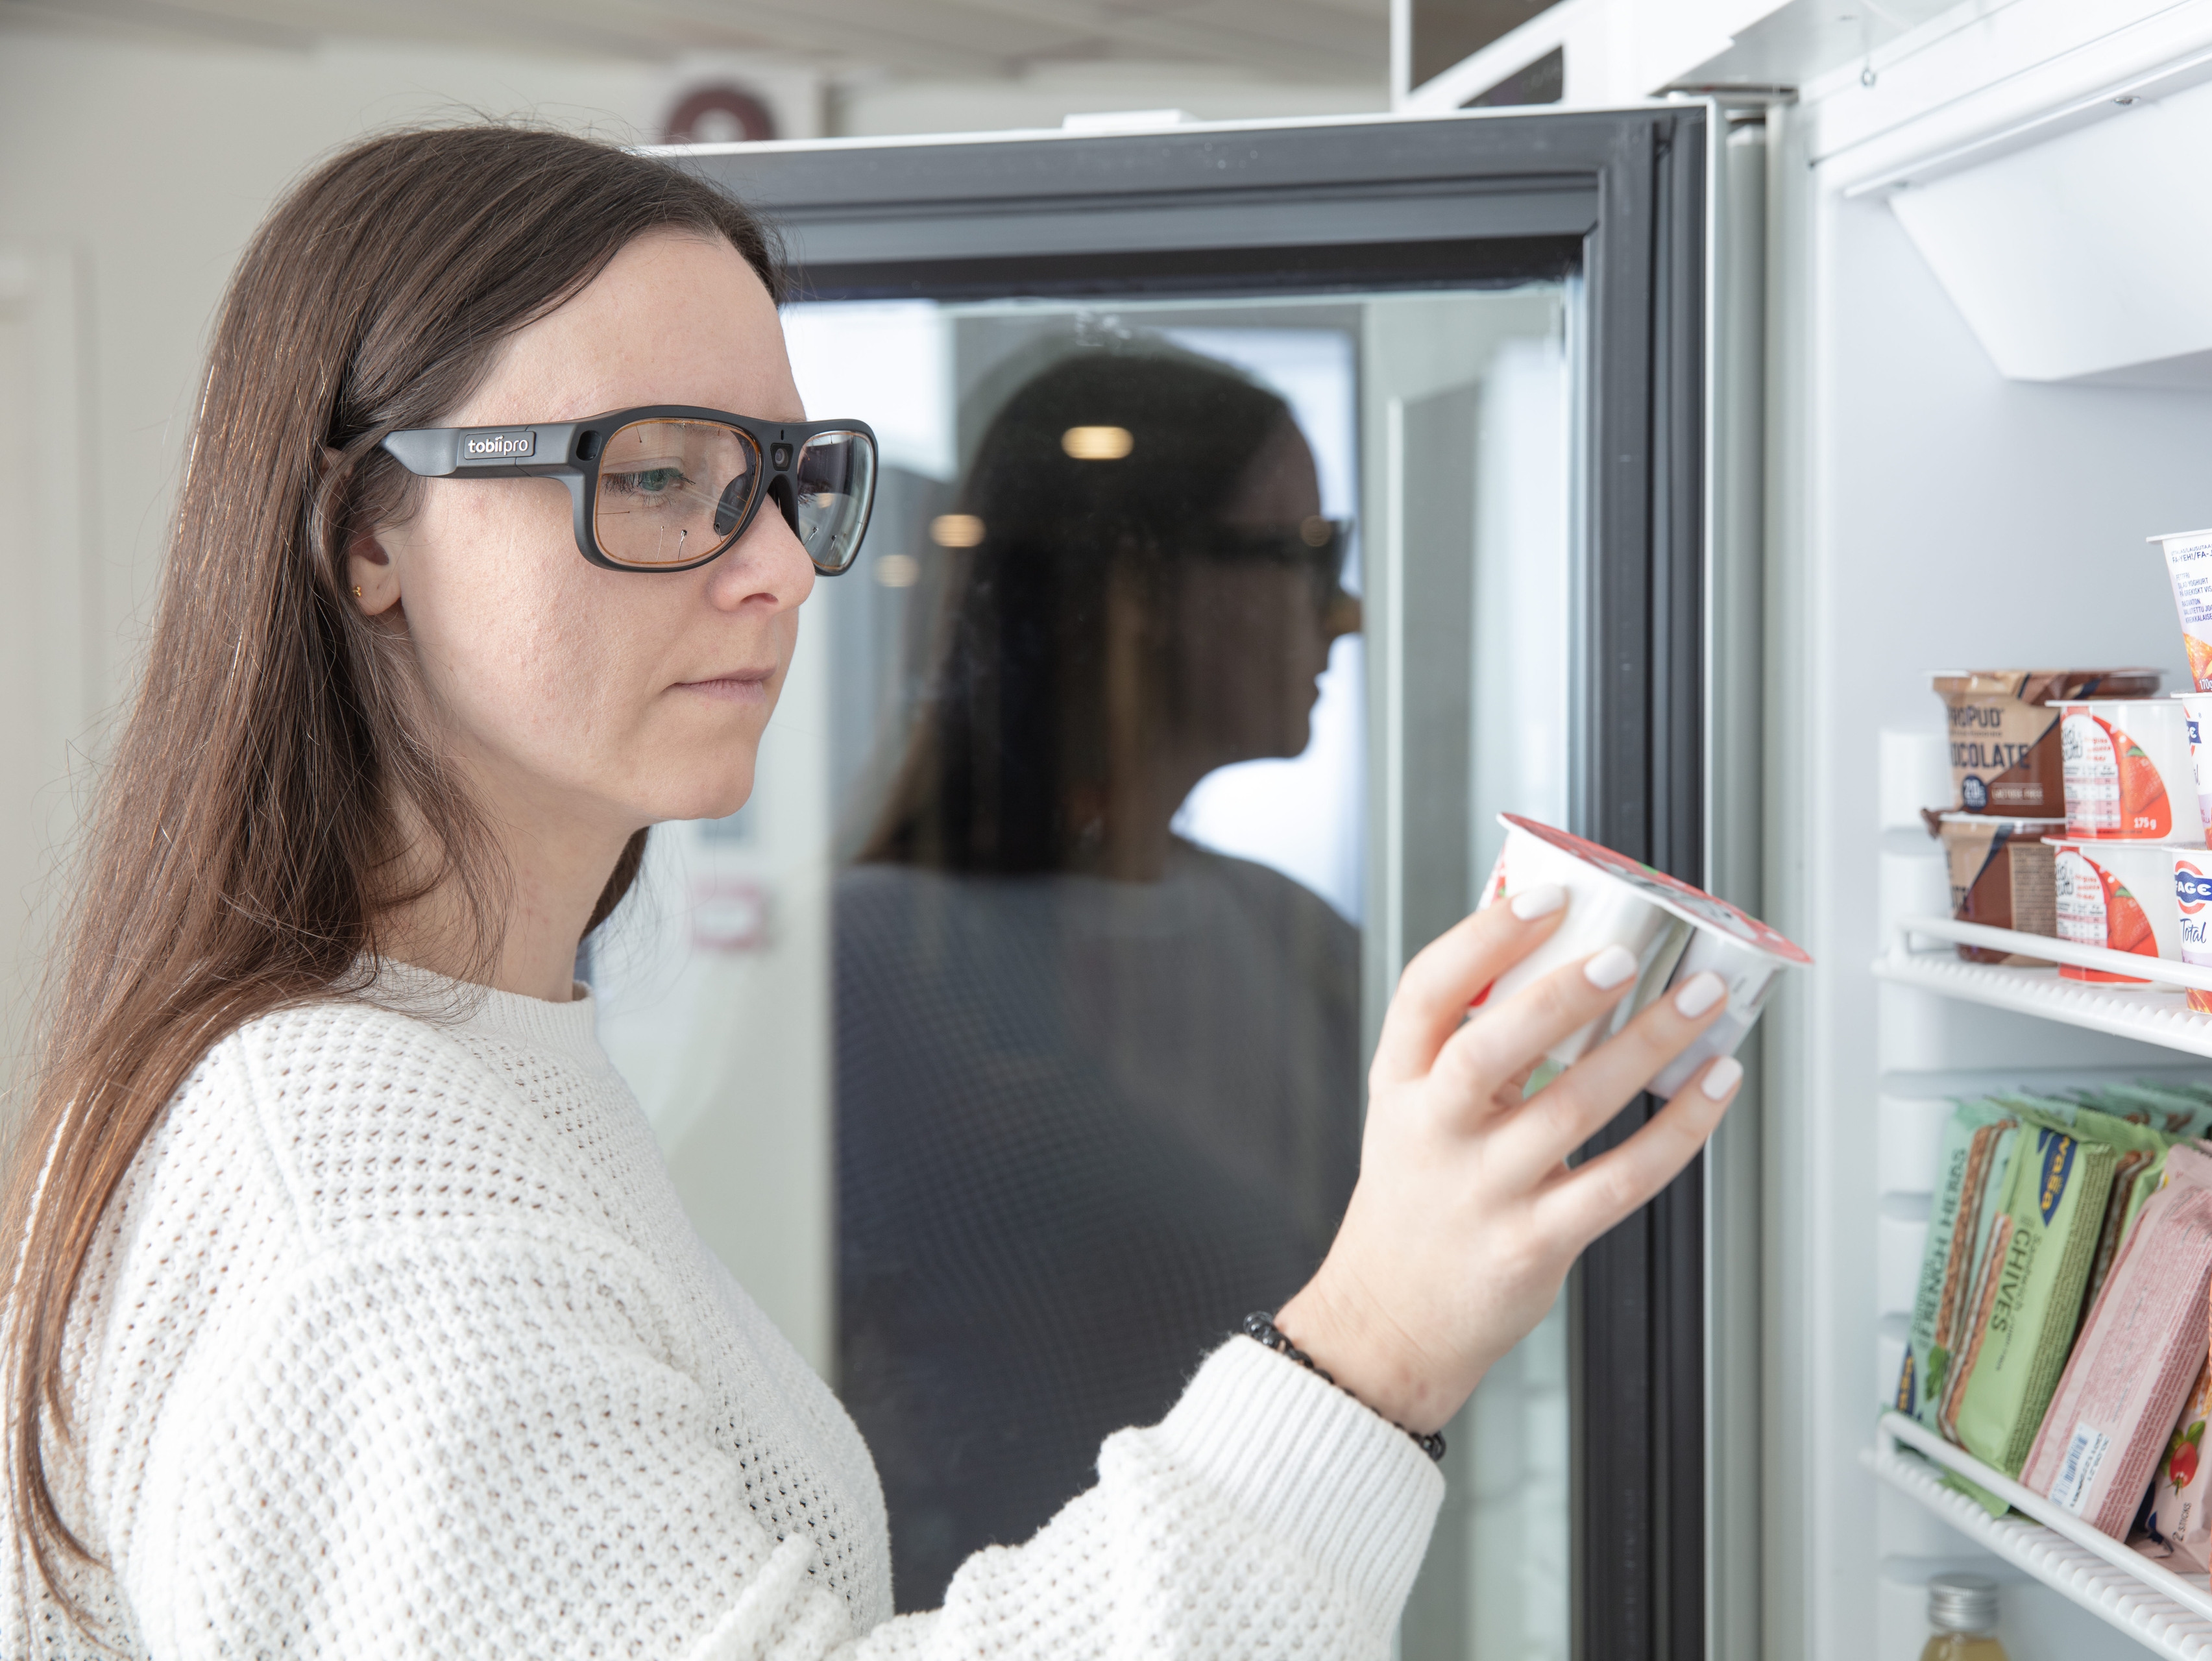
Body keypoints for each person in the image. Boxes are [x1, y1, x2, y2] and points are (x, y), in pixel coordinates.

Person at [0, 125, 1746, 1658]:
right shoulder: (366, 1211)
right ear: (368, 531)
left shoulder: (469, 1059)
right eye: (658, 475)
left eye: (778, 481)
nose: (773, 567)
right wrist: (1377, 1345)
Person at [836, 347, 1365, 1606]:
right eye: (1307, 552)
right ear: (1140, 589)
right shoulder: (875, 963)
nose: (1346, 611)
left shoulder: (1294, 930)